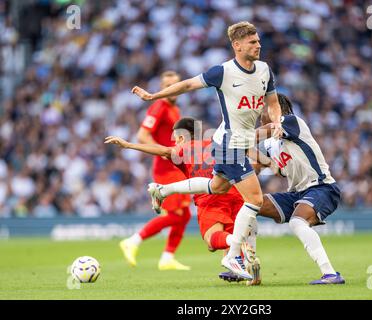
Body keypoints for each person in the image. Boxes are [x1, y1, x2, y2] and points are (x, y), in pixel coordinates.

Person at [131, 21, 282, 279]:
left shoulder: (265, 70)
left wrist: (276, 120)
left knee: (219, 186)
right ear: (237, 45)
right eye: (252, 42)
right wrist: (153, 96)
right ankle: (234, 255)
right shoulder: (222, 72)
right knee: (255, 200)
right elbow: (188, 85)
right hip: (228, 144)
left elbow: (273, 102)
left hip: (242, 142)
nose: (258, 45)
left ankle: (162, 190)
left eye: (258, 41)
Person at [105, 117, 261, 285]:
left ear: (180, 137)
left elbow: (163, 151)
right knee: (224, 239)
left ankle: (238, 244)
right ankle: (245, 266)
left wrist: (129, 145)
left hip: (210, 197)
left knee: (212, 239)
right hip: (236, 192)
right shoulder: (214, 143)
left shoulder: (185, 148)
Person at [246, 93, 345, 285]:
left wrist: (239, 138)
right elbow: (254, 168)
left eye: (263, 108)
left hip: (322, 187)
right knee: (251, 206)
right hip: (297, 193)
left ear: (276, 108)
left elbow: (269, 128)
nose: (260, 113)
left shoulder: (292, 122)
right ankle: (250, 266)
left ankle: (331, 274)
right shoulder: (269, 144)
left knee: (297, 222)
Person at [119, 71, 192, 271]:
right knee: (176, 215)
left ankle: (168, 257)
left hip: (176, 166)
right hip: (166, 169)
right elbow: (142, 134)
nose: (172, 88)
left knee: (184, 215)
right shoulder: (159, 106)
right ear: (161, 88)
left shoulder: (174, 109)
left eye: (175, 84)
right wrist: (160, 152)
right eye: (167, 85)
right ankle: (133, 241)